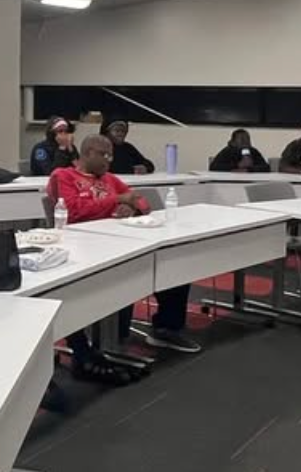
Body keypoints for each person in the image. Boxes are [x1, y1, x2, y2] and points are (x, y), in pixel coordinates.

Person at [53, 135, 201, 358]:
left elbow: (142, 202)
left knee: (172, 260)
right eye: (104, 155)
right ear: (88, 153)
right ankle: (98, 339)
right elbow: (74, 211)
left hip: (118, 238)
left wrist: (132, 209)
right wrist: (117, 200)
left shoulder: (110, 179)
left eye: (110, 155)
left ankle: (166, 328)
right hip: (83, 244)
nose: (109, 160)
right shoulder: (64, 176)